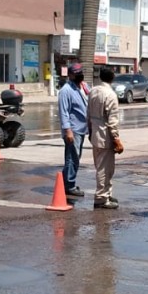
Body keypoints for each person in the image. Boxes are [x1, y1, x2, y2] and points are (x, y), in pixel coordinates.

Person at [88, 67, 124, 210]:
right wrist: (116, 139)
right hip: (105, 135)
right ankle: (101, 198)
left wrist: (90, 131)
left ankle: (106, 193)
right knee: (105, 168)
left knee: (102, 166)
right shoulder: (110, 95)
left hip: (95, 132)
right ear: (112, 77)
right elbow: (112, 120)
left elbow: (88, 114)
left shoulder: (93, 91)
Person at [57, 63, 89, 197]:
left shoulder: (81, 87)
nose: (80, 75)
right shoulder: (66, 90)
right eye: (77, 73)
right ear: (70, 75)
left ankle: (66, 182)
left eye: (81, 72)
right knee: (72, 158)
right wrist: (67, 130)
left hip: (81, 128)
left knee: (75, 157)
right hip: (73, 129)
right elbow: (63, 112)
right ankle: (69, 185)